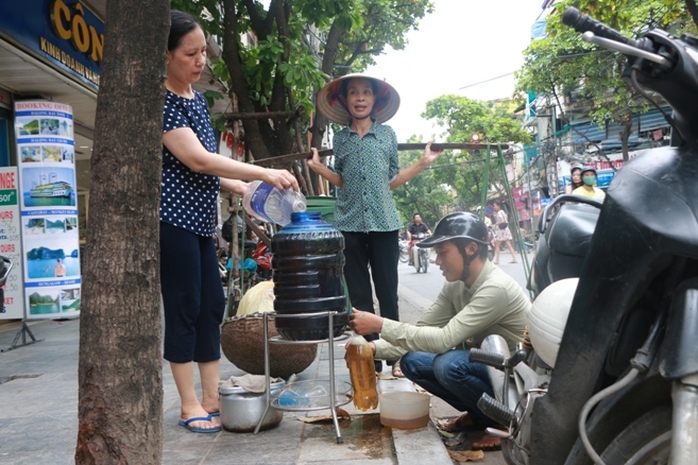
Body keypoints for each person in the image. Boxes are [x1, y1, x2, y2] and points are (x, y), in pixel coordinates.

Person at [162, 10, 298, 434]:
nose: (200, 60)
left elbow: (206, 170)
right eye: (190, 53)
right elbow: (196, 158)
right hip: (174, 222)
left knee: (210, 308)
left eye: (204, 51)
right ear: (165, 55)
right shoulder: (160, 101)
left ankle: (210, 395)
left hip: (203, 221)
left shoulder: (196, 101)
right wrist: (258, 172)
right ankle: (187, 404)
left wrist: (237, 187)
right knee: (184, 308)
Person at [348, 212, 530, 451]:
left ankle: (508, 421)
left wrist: (380, 325)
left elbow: (444, 340)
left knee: (449, 365)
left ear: (471, 249)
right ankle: (479, 415)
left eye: (443, 253)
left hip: (516, 377)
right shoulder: (455, 284)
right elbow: (422, 331)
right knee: (413, 362)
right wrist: (373, 348)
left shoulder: (495, 288)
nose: (437, 261)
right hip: (489, 367)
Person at [309, 73, 442, 377]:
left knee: (387, 293)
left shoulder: (387, 135)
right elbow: (341, 181)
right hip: (349, 224)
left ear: (375, 100)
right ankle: (372, 357)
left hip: (384, 224)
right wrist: (319, 168)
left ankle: (396, 359)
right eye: (353, 93)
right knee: (359, 297)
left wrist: (423, 163)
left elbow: (391, 180)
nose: (359, 98)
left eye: (366, 92)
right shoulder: (340, 139)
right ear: (344, 100)